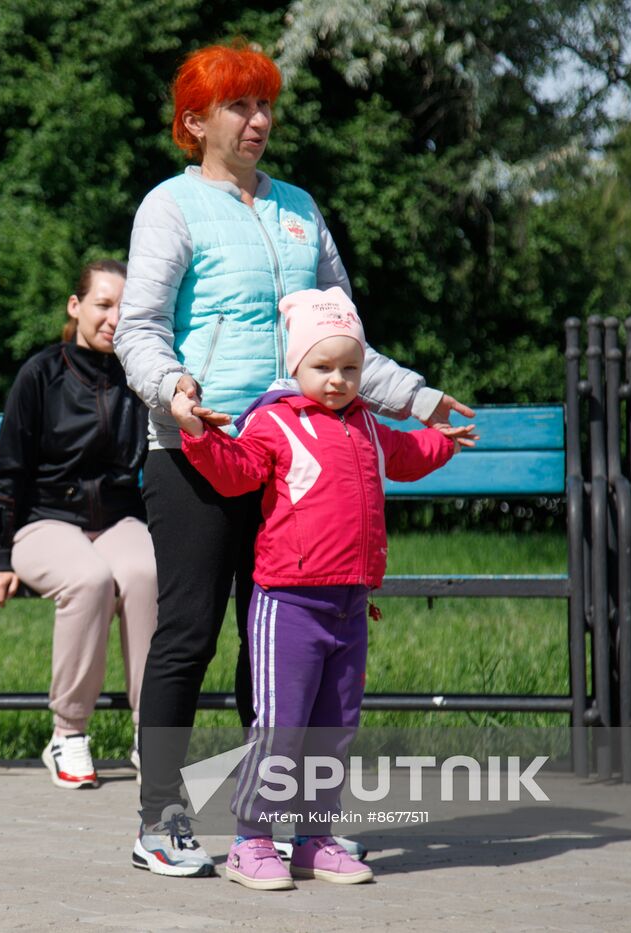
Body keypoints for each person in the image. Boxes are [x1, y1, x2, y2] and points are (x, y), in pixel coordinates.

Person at [114, 40, 476, 877]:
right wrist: (173, 390)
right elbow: (137, 328)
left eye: (266, 105)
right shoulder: (169, 207)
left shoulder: (301, 209)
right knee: (189, 632)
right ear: (195, 120)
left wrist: (417, 398)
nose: (260, 121)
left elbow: (336, 337)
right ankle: (161, 816)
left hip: (293, 455)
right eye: (240, 106)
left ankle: (271, 827)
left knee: (270, 646)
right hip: (199, 450)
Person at [171, 287, 473, 890]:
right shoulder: (274, 420)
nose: (337, 380)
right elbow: (235, 472)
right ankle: (251, 841)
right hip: (288, 604)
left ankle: (313, 839)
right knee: (280, 726)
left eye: (350, 368)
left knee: (334, 726)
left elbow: (405, 455)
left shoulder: (365, 422)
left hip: (351, 603)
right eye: (322, 367)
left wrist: (441, 441)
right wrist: (199, 437)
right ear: (294, 364)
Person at [0, 259, 155, 790]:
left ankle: (154, 736)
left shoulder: (142, 375)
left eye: (125, 307)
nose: (114, 318)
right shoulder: (40, 374)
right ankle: (68, 732)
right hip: (43, 524)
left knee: (148, 575)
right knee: (89, 580)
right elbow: (8, 469)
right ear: (75, 307)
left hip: (119, 521)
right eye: (103, 304)